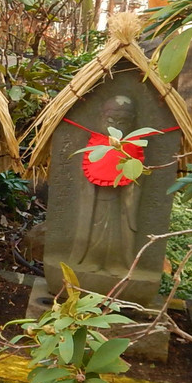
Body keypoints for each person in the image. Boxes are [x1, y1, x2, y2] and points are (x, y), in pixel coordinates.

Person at [70, 94, 140, 273]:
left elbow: (137, 177)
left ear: (132, 123)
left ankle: (115, 262)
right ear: (101, 118)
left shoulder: (133, 149)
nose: (115, 126)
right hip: (97, 202)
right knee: (95, 231)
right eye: (110, 120)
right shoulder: (95, 145)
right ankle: (91, 258)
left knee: (117, 233)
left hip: (118, 203)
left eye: (123, 122)